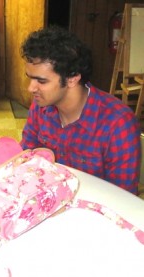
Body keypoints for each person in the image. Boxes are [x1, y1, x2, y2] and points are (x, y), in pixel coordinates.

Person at [19, 26, 141, 195]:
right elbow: (26, 157)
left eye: (41, 81)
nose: (31, 88)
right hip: (50, 201)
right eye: (30, 78)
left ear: (72, 78)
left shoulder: (118, 124)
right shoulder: (41, 106)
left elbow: (123, 196)